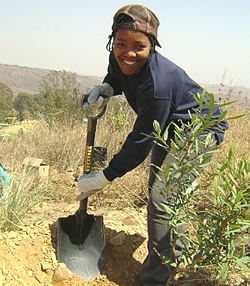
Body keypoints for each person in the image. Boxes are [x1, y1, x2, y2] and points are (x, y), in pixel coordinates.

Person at [77, 4, 229, 285]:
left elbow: (140, 142)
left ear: (152, 47)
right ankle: (175, 257)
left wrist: (103, 177)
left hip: (197, 129)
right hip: (168, 126)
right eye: (121, 44)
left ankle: (157, 279)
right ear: (113, 41)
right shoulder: (119, 57)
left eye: (139, 47)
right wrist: (107, 87)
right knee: (165, 196)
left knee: (162, 200)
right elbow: (117, 73)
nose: (128, 53)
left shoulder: (159, 83)